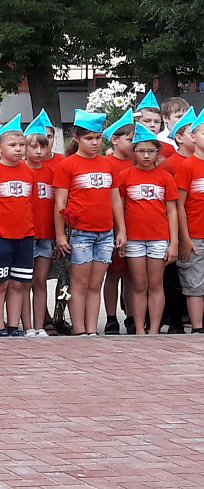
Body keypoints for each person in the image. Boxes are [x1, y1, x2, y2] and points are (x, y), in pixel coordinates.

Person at [53, 109, 125, 336]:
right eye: (88, 138)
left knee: (96, 284)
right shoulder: (68, 165)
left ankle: (92, 329)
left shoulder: (108, 164)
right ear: (76, 138)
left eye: (97, 138)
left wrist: (120, 230)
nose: (94, 143)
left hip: (105, 232)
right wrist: (60, 235)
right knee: (79, 284)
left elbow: (116, 200)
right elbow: (60, 203)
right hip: (80, 232)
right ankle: (79, 329)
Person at [115, 124, 180, 334]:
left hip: (159, 237)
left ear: (157, 152)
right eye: (141, 151)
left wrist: (174, 242)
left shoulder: (165, 177)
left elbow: (172, 211)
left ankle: (154, 329)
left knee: (156, 284)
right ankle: (140, 328)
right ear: (134, 152)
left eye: (150, 151)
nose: (145, 155)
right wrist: (122, 233)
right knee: (139, 284)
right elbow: (120, 207)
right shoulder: (125, 176)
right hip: (134, 238)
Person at [0, 116, 35, 337]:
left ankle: (13, 325)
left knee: (19, 283)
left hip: (25, 235)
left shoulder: (29, 172)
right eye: (13, 145)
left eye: (22, 145)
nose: (19, 149)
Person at [24, 113, 59, 337]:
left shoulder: (53, 171)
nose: (39, 152)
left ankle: (39, 325)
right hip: (25, 234)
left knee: (40, 281)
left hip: (46, 234)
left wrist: (58, 236)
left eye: (42, 147)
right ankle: (27, 326)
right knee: (23, 282)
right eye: (34, 147)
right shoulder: (20, 171)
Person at [102, 110, 136, 333]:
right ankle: (111, 316)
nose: (134, 145)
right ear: (114, 140)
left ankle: (132, 316)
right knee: (113, 273)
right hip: (113, 227)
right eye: (130, 140)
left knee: (132, 274)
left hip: (137, 226)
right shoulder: (108, 163)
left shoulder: (139, 162)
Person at [174, 115, 204, 333]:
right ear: (192, 138)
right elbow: (179, 206)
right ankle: (197, 326)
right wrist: (184, 238)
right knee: (195, 284)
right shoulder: (187, 167)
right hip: (195, 234)